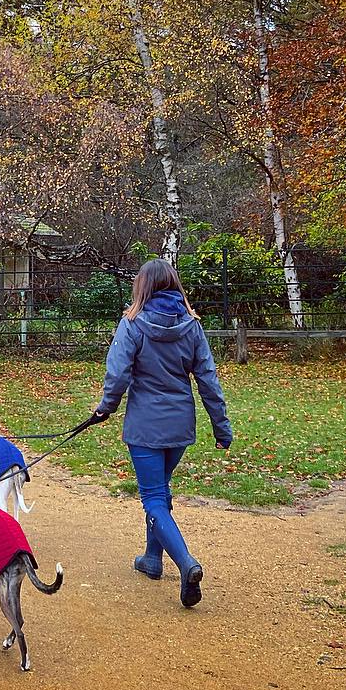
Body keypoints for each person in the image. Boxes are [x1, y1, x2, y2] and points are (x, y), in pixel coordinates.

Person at [91, 258, 233, 608]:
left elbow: (118, 373)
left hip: (145, 426)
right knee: (161, 490)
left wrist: (106, 407)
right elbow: (208, 380)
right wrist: (221, 426)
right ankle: (152, 559)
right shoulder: (192, 325)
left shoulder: (132, 323)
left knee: (153, 496)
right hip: (179, 425)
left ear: (142, 286)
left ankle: (186, 563)